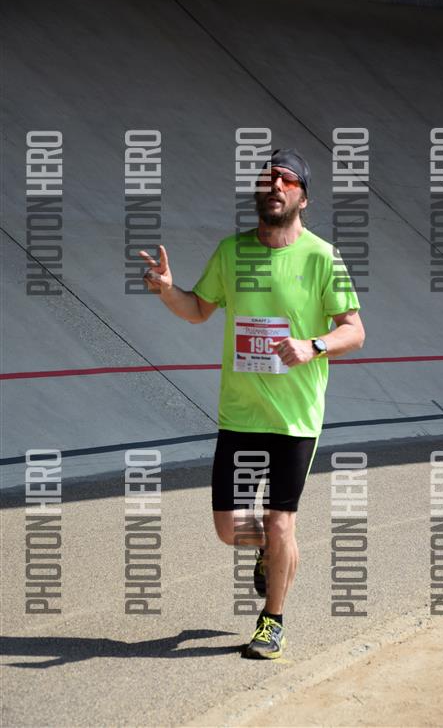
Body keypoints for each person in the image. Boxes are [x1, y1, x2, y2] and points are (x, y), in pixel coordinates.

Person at [139, 149, 365, 659]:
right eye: (268, 180)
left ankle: (272, 621)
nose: (275, 186)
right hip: (240, 415)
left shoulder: (322, 257)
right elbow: (198, 310)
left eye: (287, 181)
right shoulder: (231, 252)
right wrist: (167, 290)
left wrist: (314, 346)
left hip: (294, 419)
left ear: (303, 197)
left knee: (281, 521)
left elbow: (354, 330)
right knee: (229, 528)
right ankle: (267, 550)